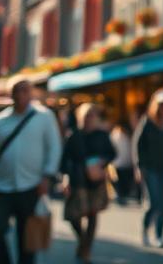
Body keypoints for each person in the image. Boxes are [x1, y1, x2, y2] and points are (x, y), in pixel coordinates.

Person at [0, 79, 62, 264]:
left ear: (31, 93)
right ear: (11, 94)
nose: (21, 95)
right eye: (17, 91)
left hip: (31, 187)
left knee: (27, 241)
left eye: (25, 90)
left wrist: (47, 176)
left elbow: (54, 148)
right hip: (1, 187)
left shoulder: (44, 117)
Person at [60, 103, 116, 263]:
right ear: (80, 118)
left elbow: (112, 153)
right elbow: (64, 160)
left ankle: (86, 248)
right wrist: (65, 178)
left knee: (92, 213)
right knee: (72, 216)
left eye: (91, 116)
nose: (89, 119)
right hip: (77, 180)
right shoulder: (73, 136)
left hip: (95, 180)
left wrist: (101, 163)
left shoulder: (101, 135)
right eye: (86, 116)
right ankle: (83, 240)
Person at [133, 89, 163, 248]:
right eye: (161, 104)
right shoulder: (147, 122)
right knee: (154, 203)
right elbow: (138, 145)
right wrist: (139, 167)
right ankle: (146, 230)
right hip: (150, 168)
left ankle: (159, 235)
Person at [109, 120, 136, 205]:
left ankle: (121, 195)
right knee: (120, 181)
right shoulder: (120, 136)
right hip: (120, 163)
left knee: (121, 181)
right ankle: (121, 195)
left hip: (121, 163)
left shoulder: (120, 136)